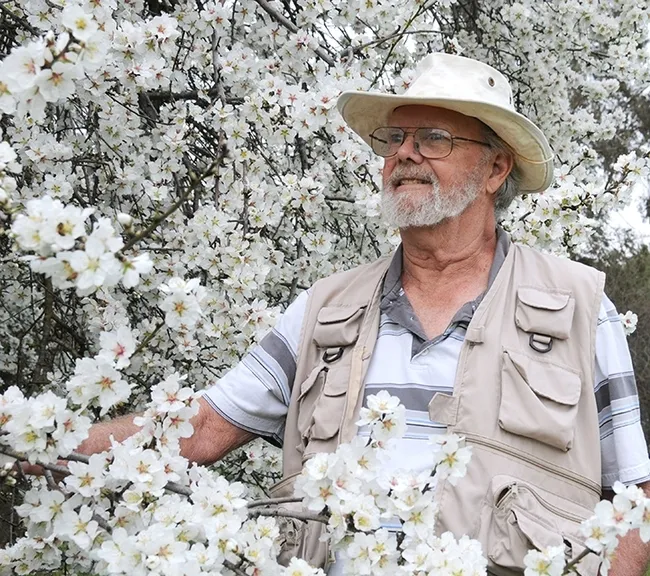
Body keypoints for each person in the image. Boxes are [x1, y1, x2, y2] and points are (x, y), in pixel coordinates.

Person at [69, 54, 650, 575]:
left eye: (434, 138)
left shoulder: (579, 305)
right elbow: (203, 430)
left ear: (495, 170)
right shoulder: (324, 308)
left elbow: (635, 499)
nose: (405, 154)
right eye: (395, 137)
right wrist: (56, 441)